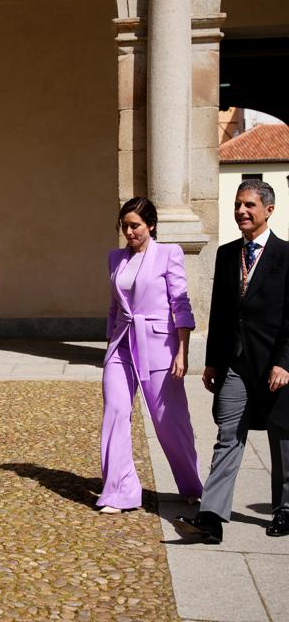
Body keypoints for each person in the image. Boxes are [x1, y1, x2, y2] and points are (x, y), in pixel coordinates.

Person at [174, 180, 289, 542]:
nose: (241, 211)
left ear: (269, 210)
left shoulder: (287, 256)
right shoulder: (226, 254)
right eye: (238, 204)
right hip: (235, 364)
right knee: (228, 436)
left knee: (282, 439)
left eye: (249, 205)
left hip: (276, 365)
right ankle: (211, 517)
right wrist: (211, 362)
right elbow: (222, 315)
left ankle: (284, 509)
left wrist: (284, 363)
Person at [97, 197, 203, 514]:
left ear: (151, 225)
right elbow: (115, 306)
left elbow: (180, 305)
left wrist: (182, 352)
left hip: (159, 346)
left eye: (135, 226)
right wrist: (109, 343)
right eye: (125, 226)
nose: (129, 232)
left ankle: (190, 484)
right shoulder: (115, 258)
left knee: (167, 420)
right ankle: (120, 491)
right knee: (115, 412)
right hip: (121, 345)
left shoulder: (169, 254)